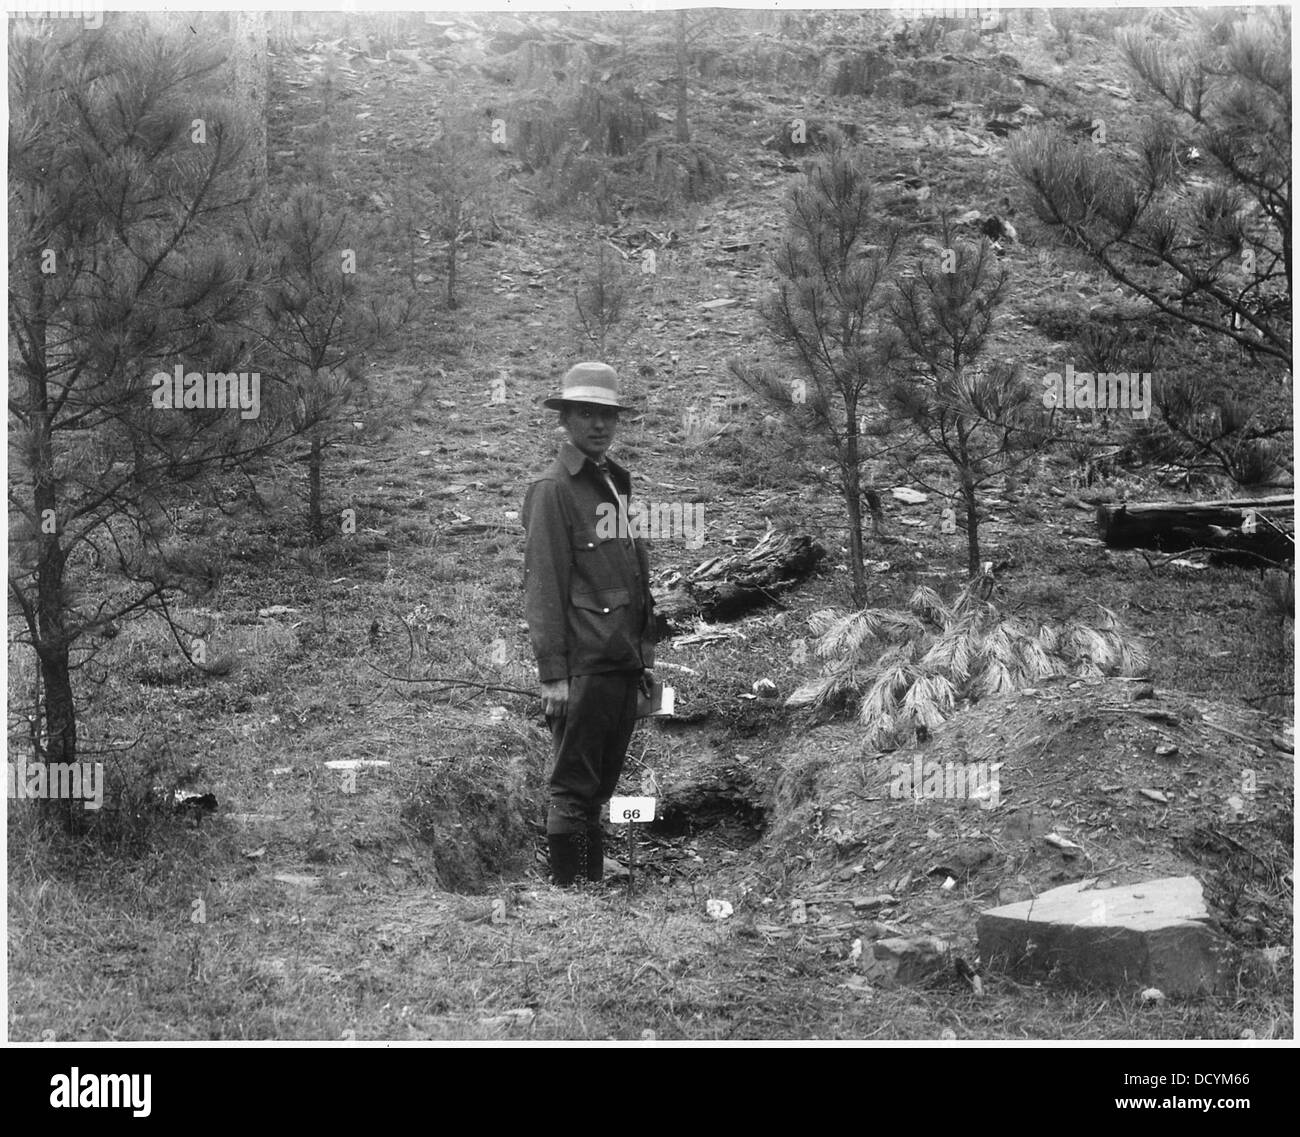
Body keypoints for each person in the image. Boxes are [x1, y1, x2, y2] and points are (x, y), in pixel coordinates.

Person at [522, 362, 656, 887]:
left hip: (619, 662)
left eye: (606, 415)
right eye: (586, 414)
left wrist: (643, 658)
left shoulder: (613, 481)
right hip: (584, 665)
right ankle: (574, 896)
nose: (598, 425)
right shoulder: (553, 489)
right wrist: (553, 673)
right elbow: (544, 586)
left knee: (599, 788)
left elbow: (633, 578)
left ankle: (588, 888)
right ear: (566, 419)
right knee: (574, 788)